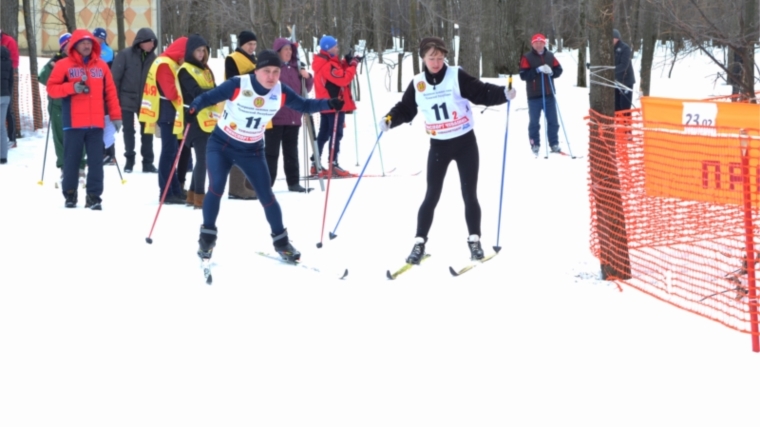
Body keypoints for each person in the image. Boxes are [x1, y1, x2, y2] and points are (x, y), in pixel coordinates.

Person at [188, 50, 345, 262]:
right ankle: (206, 240)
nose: (271, 76)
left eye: (275, 71)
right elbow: (208, 97)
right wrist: (195, 107)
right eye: (266, 71)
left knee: (266, 195)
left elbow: (305, 106)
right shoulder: (238, 84)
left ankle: (282, 243)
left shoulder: (280, 91)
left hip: (252, 150)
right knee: (216, 188)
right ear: (256, 71)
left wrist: (328, 103)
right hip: (221, 145)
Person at [380, 37, 516, 264]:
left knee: (469, 194)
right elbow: (406, 108)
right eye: (432, 58)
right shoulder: (417, 83)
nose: (436, 63)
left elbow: (480, 92)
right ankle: (419, 243)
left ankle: (474, 241)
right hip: (438, 145)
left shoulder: (455, 75)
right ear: (423, 58)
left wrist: (503, 93)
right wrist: (390, 119)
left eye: (440, 58)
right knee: (431, 194)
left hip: (465, 143)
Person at [46, 29, 123, 210]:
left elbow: (111, 93)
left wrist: (116, 116)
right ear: (74, 45)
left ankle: (94, 196)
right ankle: (70, 194)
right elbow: (52, 89)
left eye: (90, 43)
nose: (87, 46)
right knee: (71, 161)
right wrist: (72, 87)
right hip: (73, 123)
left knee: (96, 162)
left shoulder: (102, 66)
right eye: (83, 43)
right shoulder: (63, 65)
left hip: (96, 123)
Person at [139, 36, 187, 205]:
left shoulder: (169, 62)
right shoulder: (165, 64)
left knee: (172, 153)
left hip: (170, 113)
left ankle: (173, 189)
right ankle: (166, 192)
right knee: (169, 153)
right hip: (167, 113)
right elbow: (171, 93)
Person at [265, 37, 314, 192]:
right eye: (285, 49)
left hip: (294, 117)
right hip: (276, 117)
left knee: (291, 152)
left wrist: (307, 76)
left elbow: (307, 88)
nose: (288, 52)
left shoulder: (296, 67)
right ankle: (267, 184)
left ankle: (293, 182)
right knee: (271, 153)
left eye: (290, 49)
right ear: (278, 51)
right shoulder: (272, 68)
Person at [39, 33, 87, 182]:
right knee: (60, 137)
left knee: (80, 136)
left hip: (78, 103)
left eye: (71, 44)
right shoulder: (55, 61)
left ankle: (80, 166)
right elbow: (43, 78)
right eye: (66, 45)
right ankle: (64, 166)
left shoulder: (82, 61)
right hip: (57, 105)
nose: (69, 47)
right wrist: (51, 66)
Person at [178, 34, 217, 208]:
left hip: (208, 118)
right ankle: (200, 197)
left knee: (203, 158)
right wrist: (212, 94)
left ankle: (193, 195)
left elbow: (214, 89)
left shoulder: (206, 70)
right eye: (198, 51)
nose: (201, 54)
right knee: (203, 159)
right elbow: (195, 92)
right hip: (194, 118)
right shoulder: (185, 69)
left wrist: (211, 93)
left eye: (204, 51)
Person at [111, 27, 158, 173]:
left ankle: (148, 162)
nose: (152, 45)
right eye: (150, 42)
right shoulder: (125, 55)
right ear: (141, 42)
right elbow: (115, 79)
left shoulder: (154, 59)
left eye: (153, 42)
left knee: (147, 132)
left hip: (146, 102)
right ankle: (129, 160)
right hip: (126, 99)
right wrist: (116, 100)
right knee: (128, 131)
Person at [311, 35, 358, 177]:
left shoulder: (326, 61)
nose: (337, 48)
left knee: (324, 133)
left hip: (325, 103)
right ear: (328, 48)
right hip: (334, 104)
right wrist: (353, 66)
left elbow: (337, 71)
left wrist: (347, 62)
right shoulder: (327, 64)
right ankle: (333, 164)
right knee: (335, 134)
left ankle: (316, 164)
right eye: (335, 47)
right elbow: (343, 79)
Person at [224, 30, 259, 200]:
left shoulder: (255, 59)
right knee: (239, 147)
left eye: (254, 44)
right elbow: (233, 79)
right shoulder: (233, 58)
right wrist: (254, 75)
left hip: (253, 107)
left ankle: (249, 184)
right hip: (238, 107)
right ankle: (237, 186)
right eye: (249, 44)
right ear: (241, 45)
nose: (252, 47)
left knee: (253, 147)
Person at [519, 33, 563, 155]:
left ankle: (554, 143)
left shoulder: (550, 56)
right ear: (532, 44)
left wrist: (552, 72)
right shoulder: (527, 57)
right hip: (534, 96)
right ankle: (535, 144)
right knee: (534, 123)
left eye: (541, 42)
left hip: (549, 94)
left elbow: (559, 70)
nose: (539, 45)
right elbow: (523, 75)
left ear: (544, 43)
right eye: (536, 43)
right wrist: (537, 70)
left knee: (553, 121)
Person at [93, 27, 118, 165]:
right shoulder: (88, 49)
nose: (100, 41)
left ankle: (110, 154)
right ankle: (100, 153)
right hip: (92, 91)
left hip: (104, 90)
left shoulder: (108, 52)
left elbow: (111, 72)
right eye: (98, 38)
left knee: (106, 122)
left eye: (102, 39)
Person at [0, 30, 19, 146]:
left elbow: (15, 62)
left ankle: (12, 138)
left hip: (6, 79)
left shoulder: (9, 41)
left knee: (7, 110)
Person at [613, 29, 635, 112]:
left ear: (616, 38)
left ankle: (626, 124)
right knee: (616, 106)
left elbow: (624, 65)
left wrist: (611, 71)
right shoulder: (610, 48)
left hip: (626, 81)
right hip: (616, 82)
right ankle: (618, 124)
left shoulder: (624, 48)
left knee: (624, 107)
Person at [0, 45, 11, 163]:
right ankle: (3, 156)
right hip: (6, 96)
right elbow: (11, 81)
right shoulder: (8, 62)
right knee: (1, 127)